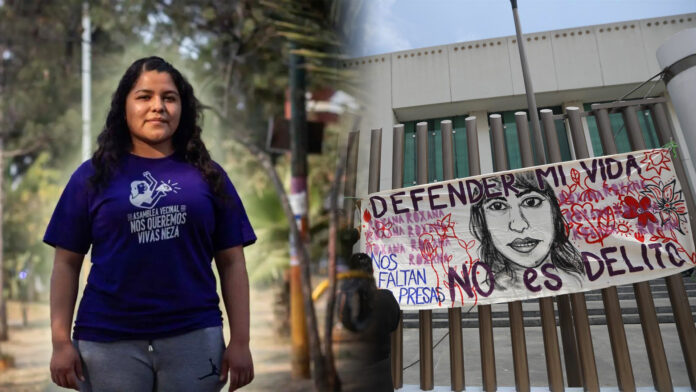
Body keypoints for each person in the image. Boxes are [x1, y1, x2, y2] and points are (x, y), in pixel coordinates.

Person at [44, 56, 256, 391]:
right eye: (144, 97)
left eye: (169, 98)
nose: (158, 106)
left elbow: (232, 263)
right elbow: (66, 264)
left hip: (194, 337)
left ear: (181, 108)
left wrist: (240, 342)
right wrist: (60, 343)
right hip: (107, 342)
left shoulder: (209, 176)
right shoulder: (91, 177)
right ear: (123, 107)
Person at [469, 171, 583, 290]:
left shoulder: (583, 279)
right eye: (497, 206)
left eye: (531, 202)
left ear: (554, 211)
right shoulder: (485, 292)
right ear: (482, 221)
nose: (518, 225)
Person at [335, 252, 400, 392]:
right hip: (382, 378)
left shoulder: (344, 301)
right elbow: (394, 324)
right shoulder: (387, 298)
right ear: (372, 272)